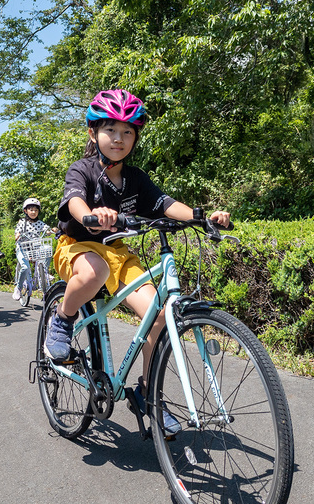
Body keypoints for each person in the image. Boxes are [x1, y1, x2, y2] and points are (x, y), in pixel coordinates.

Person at [45, 89, 231, 436]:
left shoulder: (136, 178)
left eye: (128, 132)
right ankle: (63, 319)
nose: (119, 138)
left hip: (118, 253)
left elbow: (163, 203)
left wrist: (201, 216)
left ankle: (148, 393)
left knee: (159, 314)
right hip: (77, 244)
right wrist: (90, 216)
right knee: (94, 271)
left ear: (135, 138)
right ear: (93, 133)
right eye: (111, 130)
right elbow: (73, 202)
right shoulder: (81, 170)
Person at [13, 198, 56, 300]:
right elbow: (17, 232)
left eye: (36, 210)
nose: (33, 212)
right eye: (31, 210)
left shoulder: (40, 223)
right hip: (23, 247)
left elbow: (48, 230)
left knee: (48, 248)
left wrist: (52, 230)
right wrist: (17, 235)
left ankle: (44, 272)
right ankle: (18, 288)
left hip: (36, 247)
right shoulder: (22, 222)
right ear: (25, 211)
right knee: (25, 267)